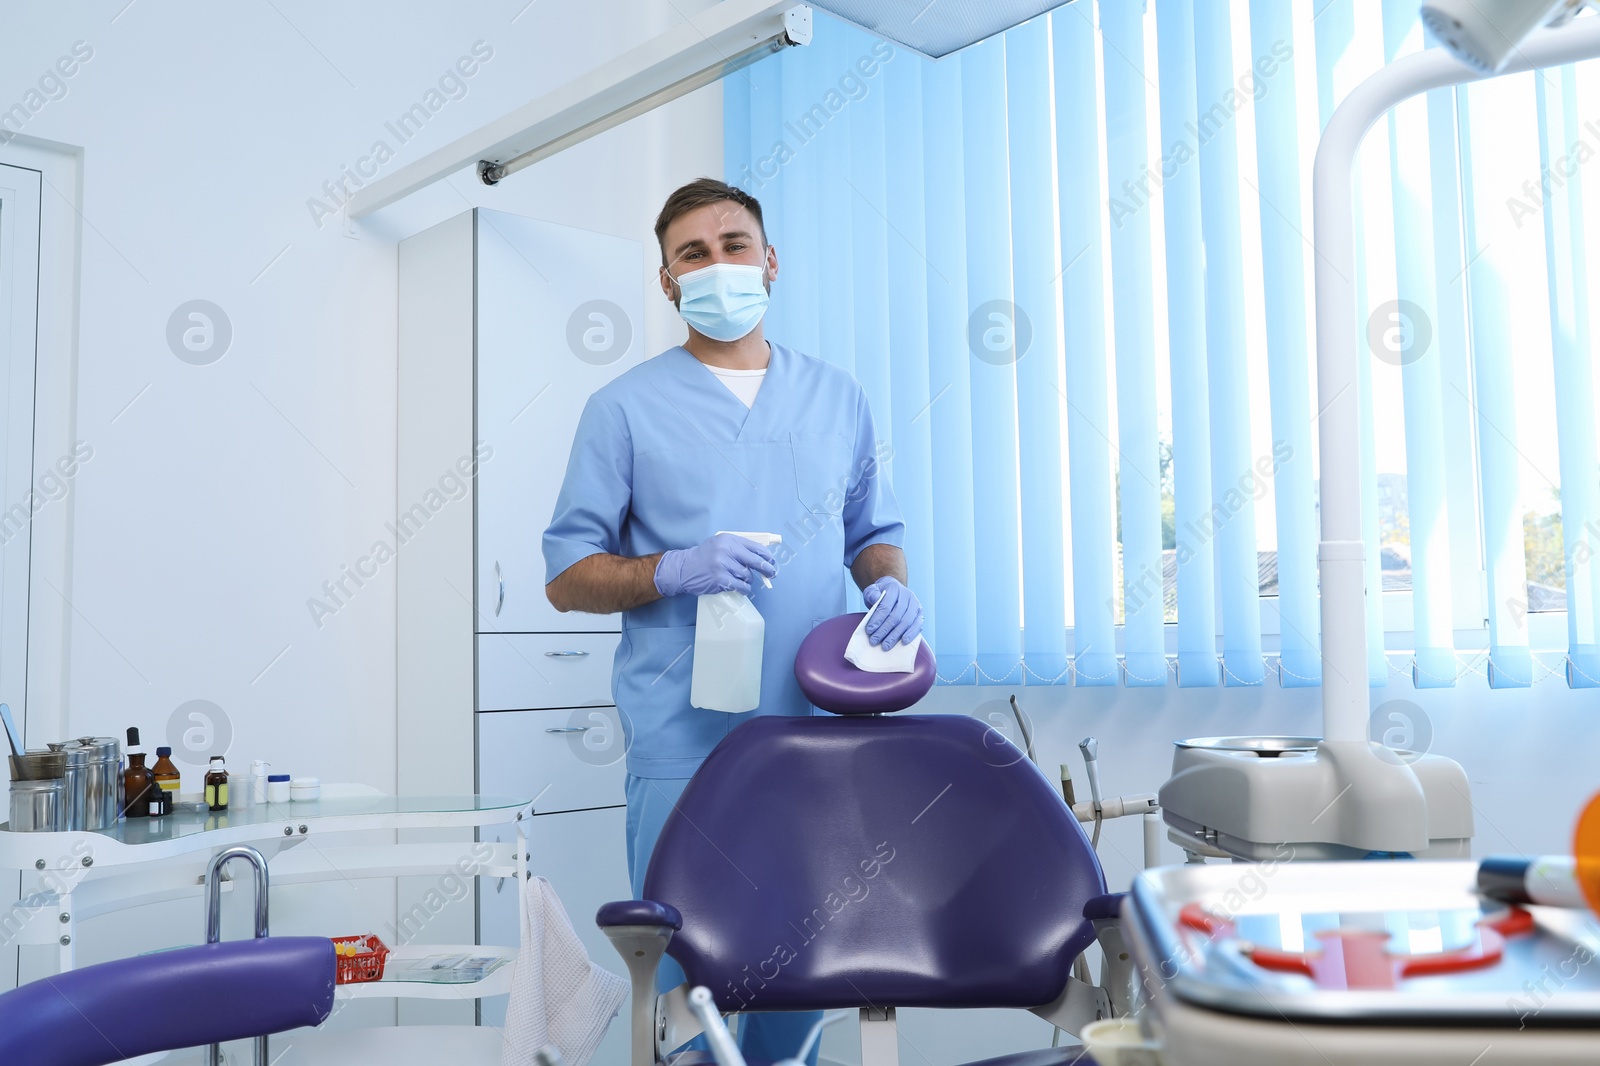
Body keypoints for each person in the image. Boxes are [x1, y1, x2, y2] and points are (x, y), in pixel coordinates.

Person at [542, 177, 922, 1061]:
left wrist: (888, 587)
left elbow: (875, 534)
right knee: (689, 986)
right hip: (686, 746)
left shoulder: (838, 397)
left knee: (808, 978)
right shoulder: (624, 410)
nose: (718, 265)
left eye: (734, 244)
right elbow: (567, 576)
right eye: (693, 255)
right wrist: (669, 569)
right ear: (669, 283)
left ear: (771, 260)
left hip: (818, 739)